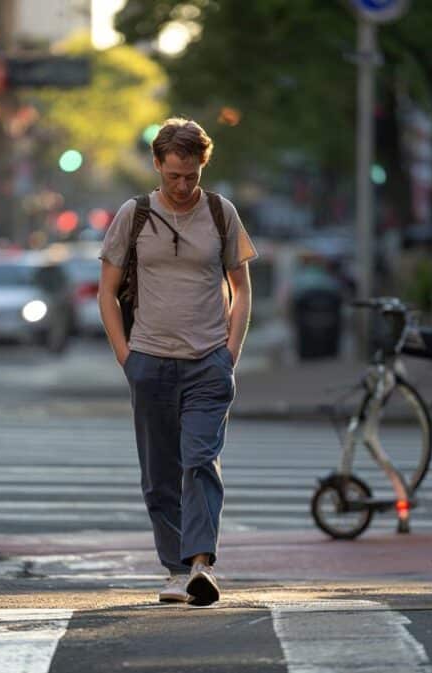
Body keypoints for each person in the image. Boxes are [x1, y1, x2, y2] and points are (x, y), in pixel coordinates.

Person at [98, 118, 257, 606]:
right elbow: (106, 292)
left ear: (202, 167)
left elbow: (242, 289)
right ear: (158, 167)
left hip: (208, 363)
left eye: (192, 176)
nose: (184, 186)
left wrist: (229, 354)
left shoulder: (220, 212)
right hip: (150, 363)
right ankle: (174, 570)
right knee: (160, 475)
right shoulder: (135, 215)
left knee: (200, 462)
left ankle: (200, 565)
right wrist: (128, 358)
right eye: (174, 177)